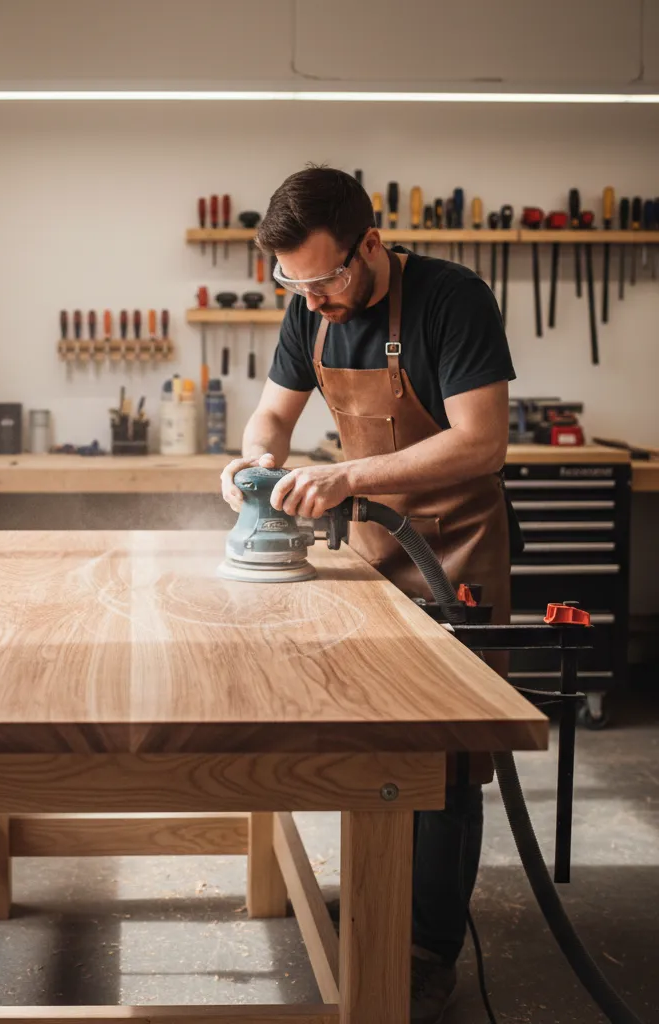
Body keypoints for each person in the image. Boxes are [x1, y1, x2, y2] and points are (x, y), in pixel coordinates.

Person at [220, 165, 517, 1024]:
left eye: (328, 279)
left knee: (447, 757)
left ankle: (426, 947)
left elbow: (482, 443)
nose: (314, 301)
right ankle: (385, 895)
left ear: (371, 246)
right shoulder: (307, 306)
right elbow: (272, 417)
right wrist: (257, 463)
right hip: (374, 547)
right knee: (374, 730)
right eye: (294, 283)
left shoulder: (451, 300)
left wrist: (346, 472)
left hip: (454, 551)